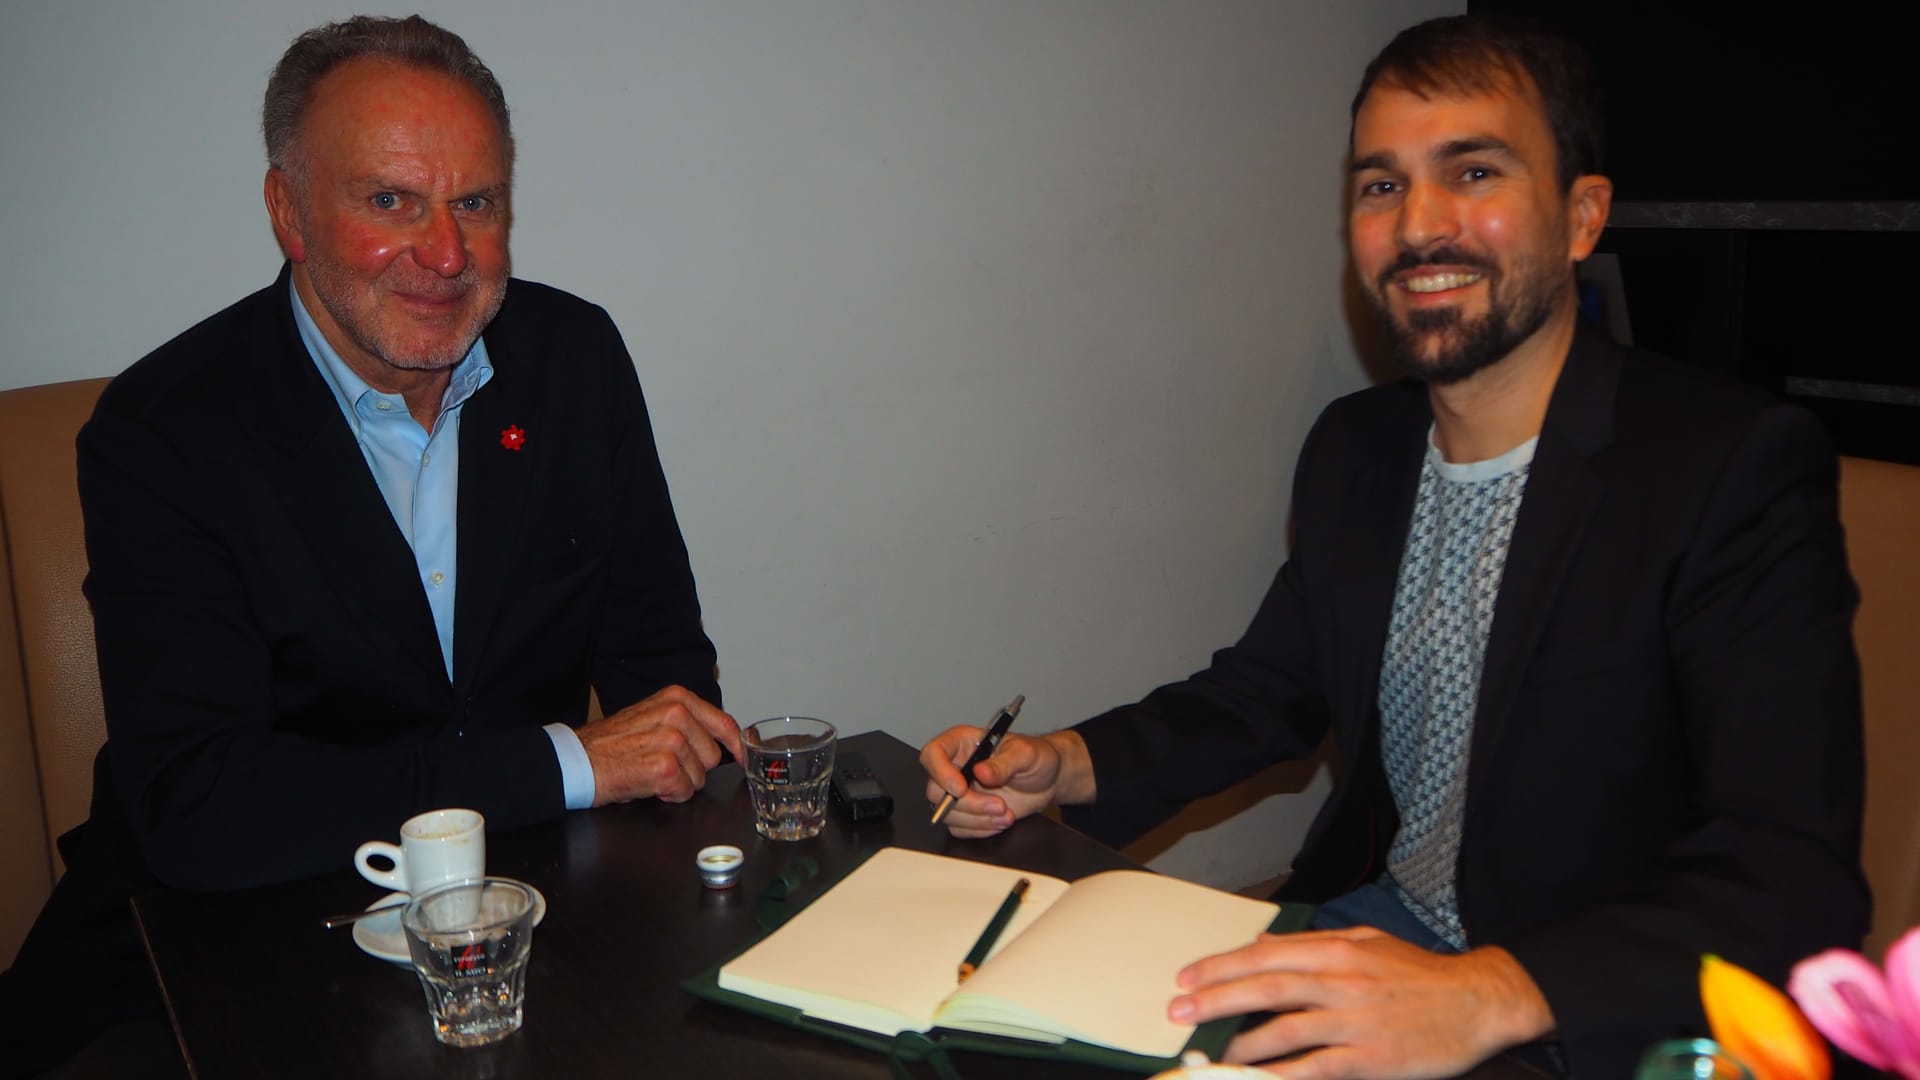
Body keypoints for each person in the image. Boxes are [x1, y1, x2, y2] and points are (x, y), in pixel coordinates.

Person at [920, 14, 1866, 1079]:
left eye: (1473, 171)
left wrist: (1487, 994)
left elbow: (1791, 875)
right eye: (1381, 186)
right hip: (1374, 933)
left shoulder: (1726, 466)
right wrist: (1069, 764)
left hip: (1592, 1011)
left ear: (1580, 215)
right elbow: (1266, 692)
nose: (1420, 224)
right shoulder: (1356, 448)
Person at [0, 16, 739, 1076]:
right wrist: (565, 762)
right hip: (203, 940)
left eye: (475, 204)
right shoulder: (165, 428)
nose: (445, 255)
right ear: (289, 213)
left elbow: (662, 677)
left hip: (515, 924)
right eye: (390, 201)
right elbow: (205, 808)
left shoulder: (571, 360)